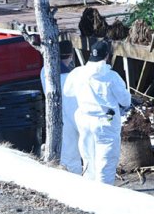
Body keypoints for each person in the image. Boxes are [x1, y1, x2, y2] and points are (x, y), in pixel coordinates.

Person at [63, 39, 131, 185]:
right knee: (105, 161)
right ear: (106, 56)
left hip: (84, 120)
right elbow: (125, 101)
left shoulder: (78, 73)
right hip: (105, 121)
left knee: (88, 158)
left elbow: (68, 92)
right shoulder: (111, 77)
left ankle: (90, 196)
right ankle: (104, 198)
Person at [40, 40, 81, 174]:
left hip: (53, 116)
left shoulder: (44, 71)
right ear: (70, 56)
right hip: (70, 117)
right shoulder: (70, 77)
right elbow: (73, 103)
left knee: (62, 153)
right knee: (72, 154)